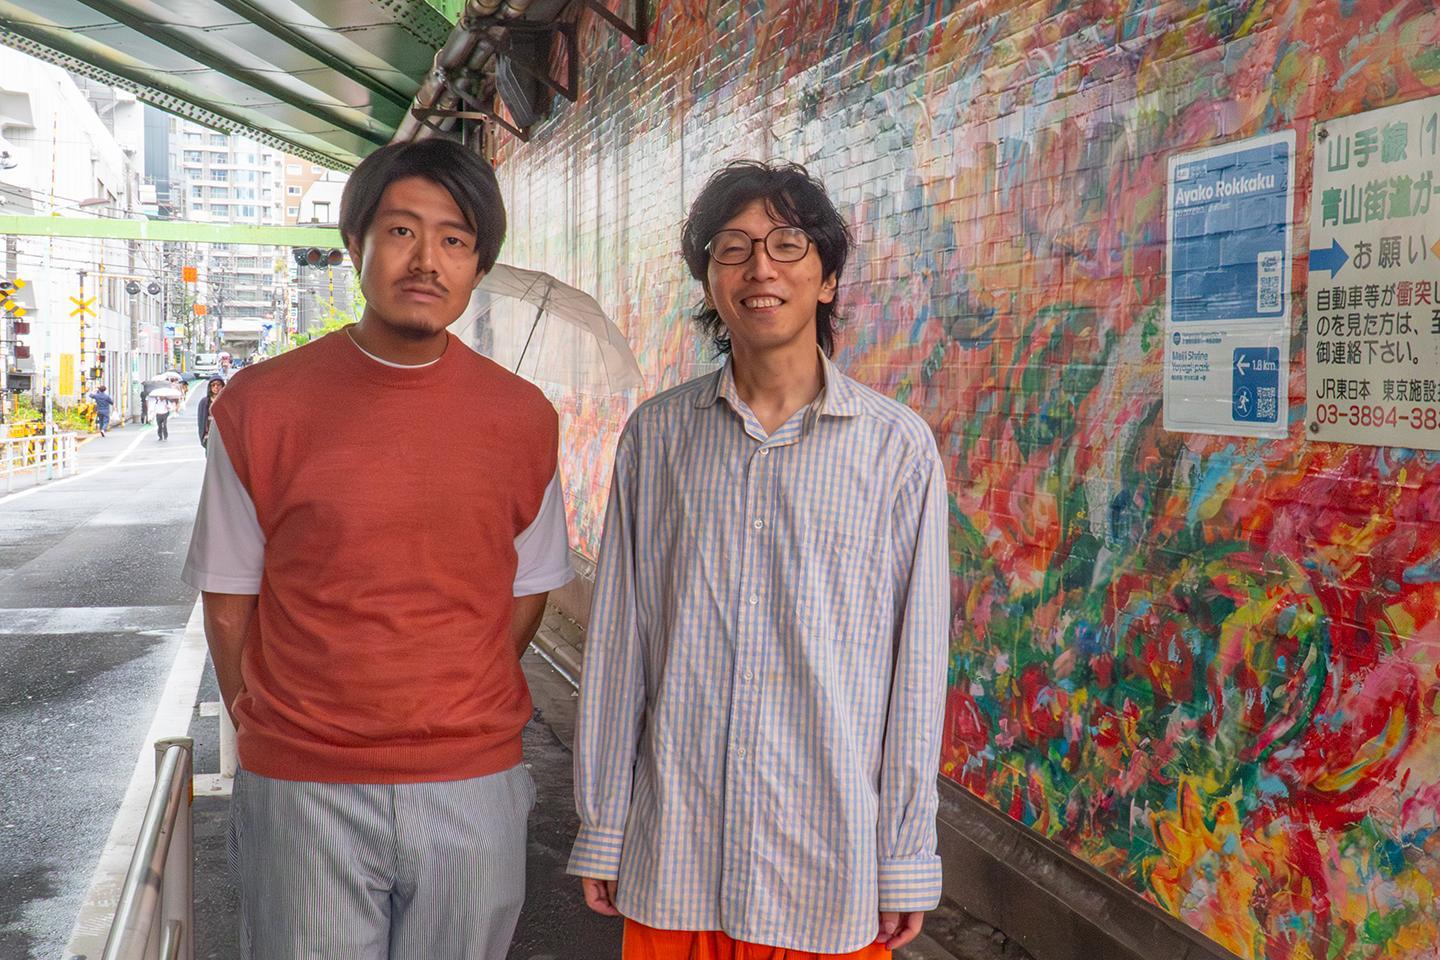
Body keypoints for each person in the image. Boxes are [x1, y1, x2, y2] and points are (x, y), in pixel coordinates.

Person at [181, 137, 573, 960]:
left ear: (478, 264)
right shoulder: (260, 406)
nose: (427, 259)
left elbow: (527, 589)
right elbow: (228, 601)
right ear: (355, 243)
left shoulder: (523, 417)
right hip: (303, 786)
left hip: (473, 782)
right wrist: (278, 732)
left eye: (455, 239)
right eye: (401, 231)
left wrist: (445, 698)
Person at [569, 161, 951, 960]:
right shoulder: (657, 439)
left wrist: (904, 854)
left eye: (786, 244)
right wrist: (603, 823)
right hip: (677, 856)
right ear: (710, 282)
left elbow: (916, 671)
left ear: (827, 278)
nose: (760, 268)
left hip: (826, 864)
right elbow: (618, 649)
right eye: (733, 248)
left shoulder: (896, 449)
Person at [196, 376, 224, 447]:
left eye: (218, 384)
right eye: (213, 385)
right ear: (210, 387)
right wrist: (203, 437)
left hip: (223, 435)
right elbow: (201, 421)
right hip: (209, 435)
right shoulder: (204, 402)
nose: (216, 387)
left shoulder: (226, 401)